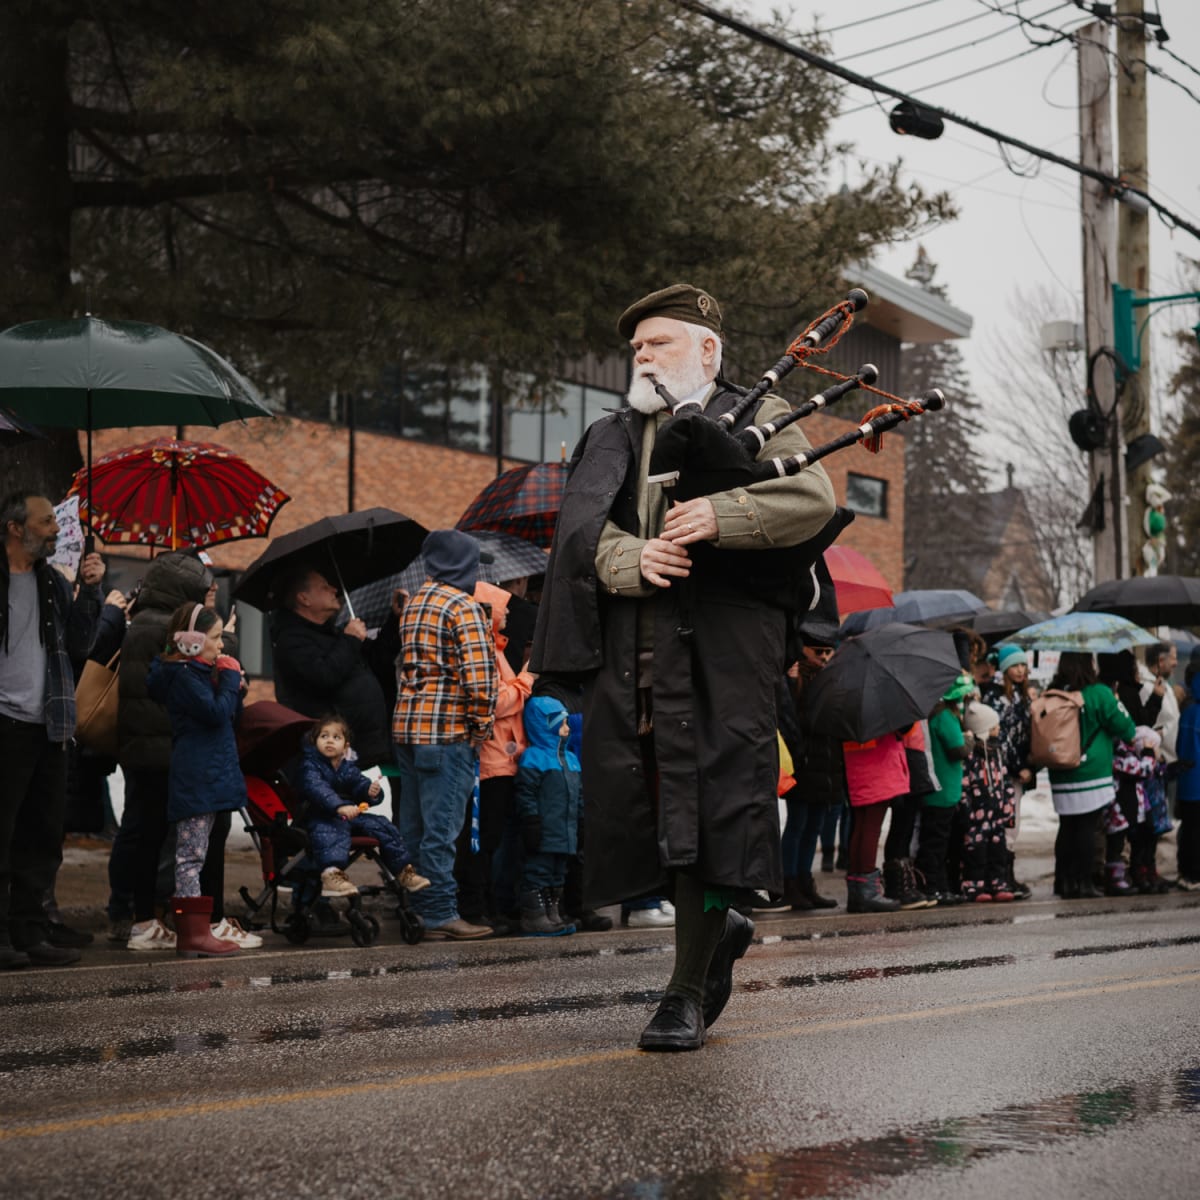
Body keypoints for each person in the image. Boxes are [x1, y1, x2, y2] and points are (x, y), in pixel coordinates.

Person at [529, 282, 838, 1051]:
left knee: (707, 812)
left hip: (723, 652)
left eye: (658, 342)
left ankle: (685, 991)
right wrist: (632, 556)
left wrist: (720, 515)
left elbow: (813, 498)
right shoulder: (611, 435)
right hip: (633, 647)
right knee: (642, 807)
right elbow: (580, 536)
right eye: (635, 346)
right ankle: (717, 930)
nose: (641, 354)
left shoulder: (759, 414)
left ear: (707, 350)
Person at [114, 552, 257, 951]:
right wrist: (226, 648)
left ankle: (147, 918)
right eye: (202, 587)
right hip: (174, 752)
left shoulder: (143, 625)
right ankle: (197, 923)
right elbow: (208, 704)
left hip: (153, 748)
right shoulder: (170, 637)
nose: (210, 592)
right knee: (194, 844)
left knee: (153, 835)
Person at [0, 492, 104, 968]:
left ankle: (29, 932)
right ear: (16, 527)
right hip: (5, 724)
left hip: (50, 724)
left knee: (41, 835)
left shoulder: (50, 583)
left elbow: (80, 644)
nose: (56, 530)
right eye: (46, 522)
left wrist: (90, 591)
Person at [393, 530, 498, 940]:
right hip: (448, 731)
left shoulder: (415, 602)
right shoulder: (464, 606)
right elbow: (480, 679)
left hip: (409, 728)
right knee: (442, 829)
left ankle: (417, 909)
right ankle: (439, 914)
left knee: (414, 828)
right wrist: (480, 728)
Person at [146, 603, 249, 958]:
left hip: (207, 774)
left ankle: (196, 931)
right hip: (198, 776)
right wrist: (232, 679)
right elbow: (216, 713)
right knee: (190, 856)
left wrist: (229, 684)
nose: (222, 646)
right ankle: (193, 934)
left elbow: (225, 711)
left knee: (196, 854)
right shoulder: (186, 677)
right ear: (191, 640)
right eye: (217, 637)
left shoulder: (196, 675)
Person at [453, 581, 532, 933]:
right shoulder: (483, 648)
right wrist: (528, 678)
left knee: (493, 838)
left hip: (505, 758)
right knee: (480, 840)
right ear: (491, 611)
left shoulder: (497, 647)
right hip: (488, 761)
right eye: (505, 607)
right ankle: (475, 908)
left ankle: (490, 906)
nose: (511, 612)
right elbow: (495, 702)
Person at [271, 566, 401, 771]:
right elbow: (323, 676)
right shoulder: (291, 640)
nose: (334, 590)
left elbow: (378, 662)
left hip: (367, 747)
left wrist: (394, 620)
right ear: (304, 598)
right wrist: (350, 640)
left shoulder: (332, 633)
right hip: (333, 755)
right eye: (324, 587)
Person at [295, 715, 429, 898]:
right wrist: (339, 807)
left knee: (382, 825)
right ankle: (331, 873)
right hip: (319, 816)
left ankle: (403, 871)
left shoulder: (347, 767)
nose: (329, 741)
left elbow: (358, 783)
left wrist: (370, 791)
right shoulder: (310, 766)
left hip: (347, 815)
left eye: (336, 737)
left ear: (346, 745)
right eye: (324, 736)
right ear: (315, 741)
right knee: (331, 830)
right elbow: (318, 789)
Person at [1047, 651, 1136, 899]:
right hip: (1091, 772)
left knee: (1066, 827)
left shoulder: (1053, 692)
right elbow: (1126, 728)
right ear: (1089, 664)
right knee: (1087, 826)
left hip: (1061, 770)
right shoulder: (1098, 693)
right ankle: (1084, 882)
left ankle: (1063, 881)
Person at [514, 692, 582, 936]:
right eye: (561, 723)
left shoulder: (571, 759)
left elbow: (579, 795)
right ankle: (534, 915)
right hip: (544, 832)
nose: (566, 729)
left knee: (558, 873)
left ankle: (553, 913)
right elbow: (526, 794)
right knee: (538, 872)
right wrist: (531, 821)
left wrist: (581, 823)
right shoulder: (534, 758)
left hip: (565, 832)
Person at [981, 644, 1034, 900]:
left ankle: (1007, 875)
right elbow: (1000, 738)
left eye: (1023, 665)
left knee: (1013, 825)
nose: (1020, 670)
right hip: (1000, 771)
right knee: (1002, 823)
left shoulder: (1022, 696)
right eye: (1015, 665)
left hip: (1017, 772)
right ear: (1004, 668)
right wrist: (1017, 766)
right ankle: (1000, 877)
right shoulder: (995, 696)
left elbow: (1024, 736)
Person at [918, 674, 975, 906]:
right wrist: (970, 740)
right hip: (943, 793)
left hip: (937, 791)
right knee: (936, 844)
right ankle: (933, 887)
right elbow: (957, 750)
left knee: (934, 842)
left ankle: (934, 886)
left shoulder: (936, 714)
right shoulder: (945, 717)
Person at [842, 730, 906, 913]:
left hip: (856, 768)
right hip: (878, 767)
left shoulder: (851, 711)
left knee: (861, 827)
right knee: (871, 828)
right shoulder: (880, 712)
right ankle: (867, 891)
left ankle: (856, 891)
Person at [959, 701, 1016, 902]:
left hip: (997, 815)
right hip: (977, 817)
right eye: (994, 727)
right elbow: (964, 784)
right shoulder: (971, 757)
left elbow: (1006, 783)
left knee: (998, 850)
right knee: (976, 852)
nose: (998, 729)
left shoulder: (997, 753)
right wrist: (966, 812)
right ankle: (975, 885)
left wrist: (1009, 810)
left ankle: (998, 882)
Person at [1175, 665, 1200, 890]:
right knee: (1195, 830)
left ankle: (1186, 871)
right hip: (1197, 780)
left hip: (1187, 779)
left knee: (1189, 827)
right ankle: (1193, 874)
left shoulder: (1188, 709)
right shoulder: (1197, 711)